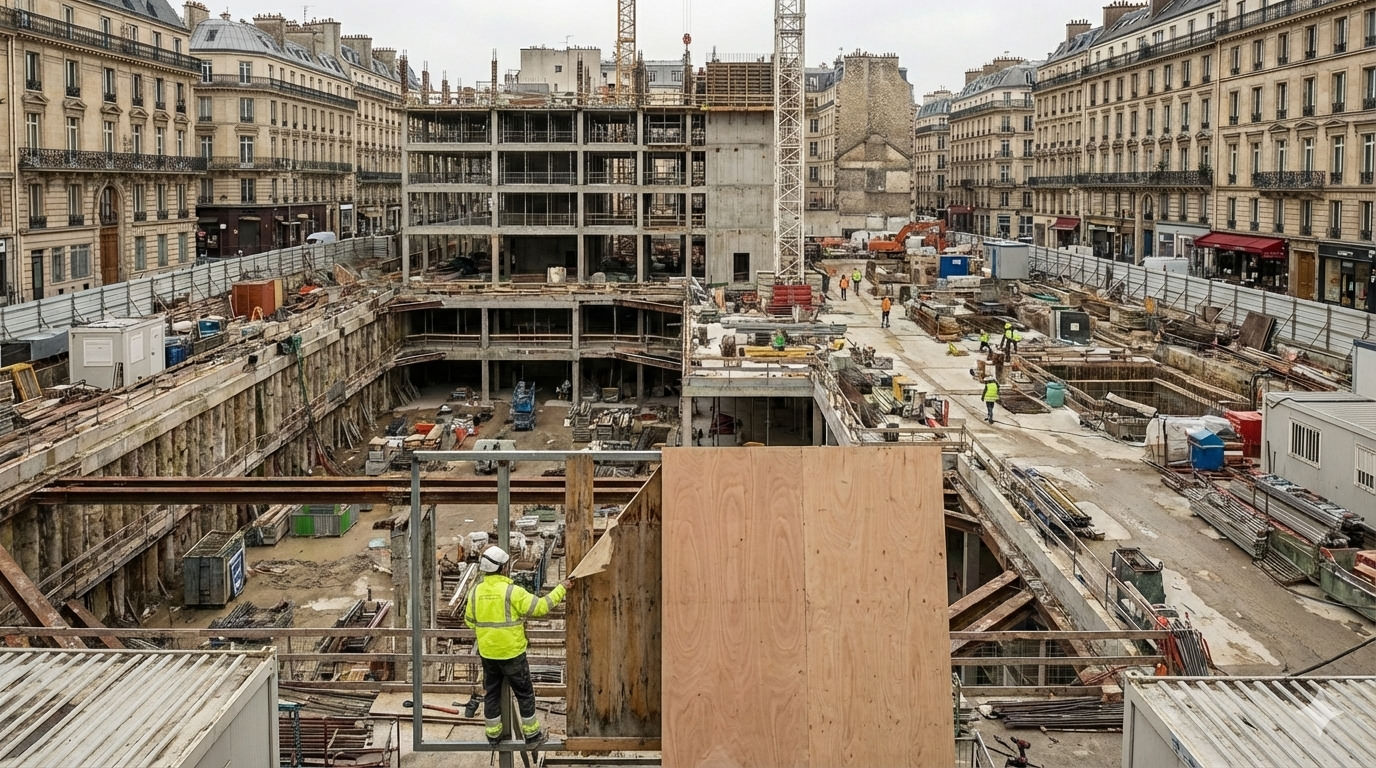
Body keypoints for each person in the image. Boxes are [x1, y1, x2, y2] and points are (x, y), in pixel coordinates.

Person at [465, 545, 570, 747]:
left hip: (488, 654)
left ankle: (493, 735)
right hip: (512, 654)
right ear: (503, 568)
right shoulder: (511, 592)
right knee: (524, 693)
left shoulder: (475, 592)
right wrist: (561, 588)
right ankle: (532, 735)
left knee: (492, 693)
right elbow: (541, 607)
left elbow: (470, 621)